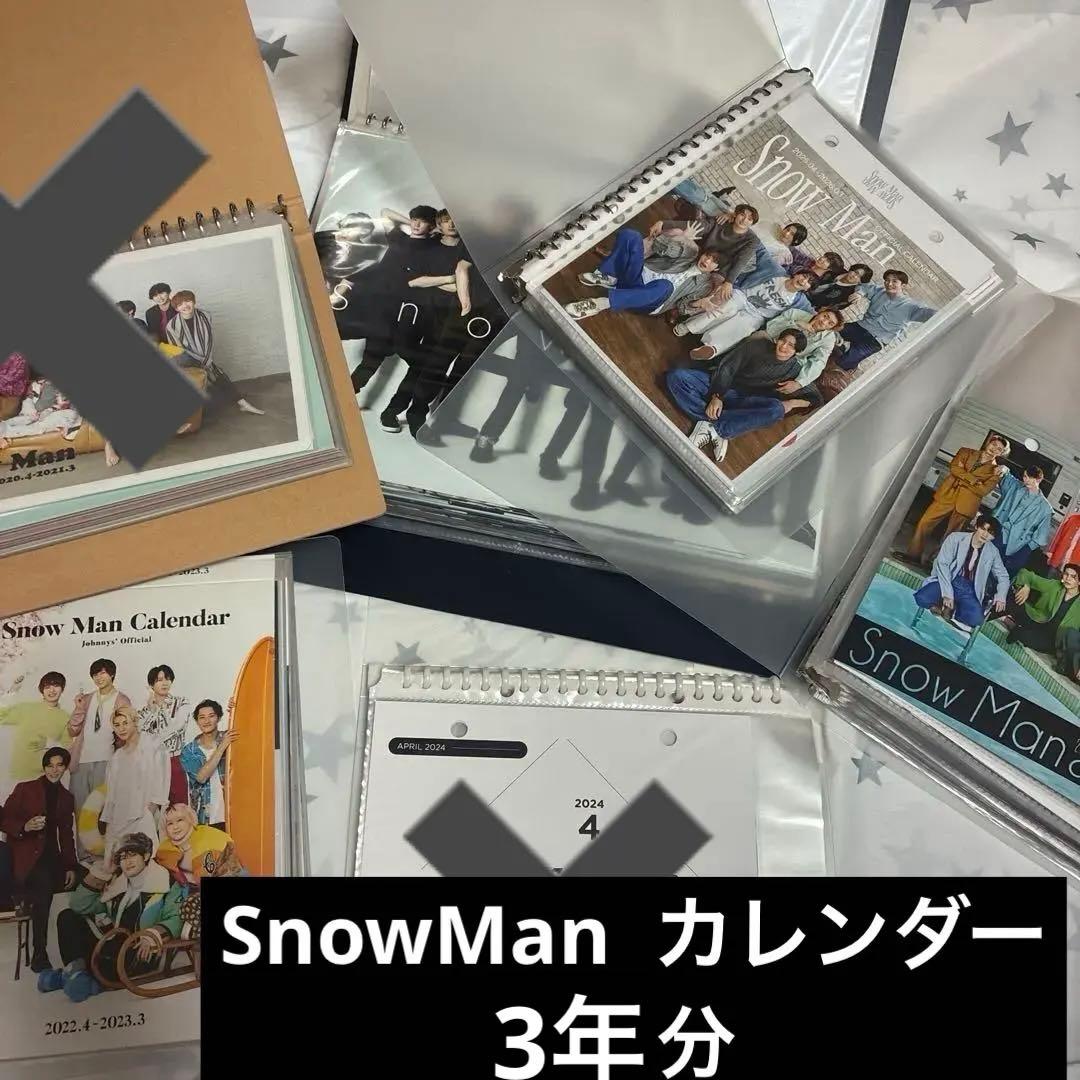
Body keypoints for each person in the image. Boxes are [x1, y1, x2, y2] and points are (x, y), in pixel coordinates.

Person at [44, 832, 183, 1003]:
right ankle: (76, 972)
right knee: (67, 916)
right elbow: (78, 905)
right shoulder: (118, 883)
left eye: (132, 854)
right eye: (122, 858)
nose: (127, 861)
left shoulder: (166, 883)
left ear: (146, 855)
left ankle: (76, 977)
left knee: (109, 953)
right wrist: (103, 873)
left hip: (141, 952)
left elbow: (176, 918)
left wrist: (153, 934)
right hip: (113, 944)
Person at [328, 205, 442, 393]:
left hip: (394, 306)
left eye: (422, 222)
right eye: (415, 220)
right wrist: (412, 223)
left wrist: (435, 231)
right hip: (370, 297)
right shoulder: (399, 237)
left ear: (431, 225)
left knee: (372, 357)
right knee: (335, 332)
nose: (416, 224)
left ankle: (345, 392)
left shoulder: (432, 248)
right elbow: (385, 213)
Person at [666, 328, 810, 464]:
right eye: (783, 341)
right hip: (721, 386)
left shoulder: (794, 369)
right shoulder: (758, 345)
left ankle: (716, 427)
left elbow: (815, 398)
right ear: (777, 339)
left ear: (796, 352)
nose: (784, 346)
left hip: (745, 401)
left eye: (791, 346)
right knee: (676, 377)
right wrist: (718, 396)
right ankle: (721, 428)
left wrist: (794, 402)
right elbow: (728, 367)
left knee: (777, 409)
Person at [1, 748, 78, 972]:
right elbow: (4, 819)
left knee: (87, 880)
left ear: (65, 767)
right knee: (43, 887)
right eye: (50, 765)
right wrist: (24, 827)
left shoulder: (66, 797)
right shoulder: (25, 788)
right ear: (44, 767)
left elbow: (66, 835)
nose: (54, 770)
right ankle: (40, 954)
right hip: (26, 859)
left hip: (52, 858)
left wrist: (70, 866)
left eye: (59, 765)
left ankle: (79, 957)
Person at [565, 228, 721, 320]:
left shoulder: (705, 286)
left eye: (713, 261)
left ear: (716, 268)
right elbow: (659, 245)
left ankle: (599, 304)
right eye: (707, 255)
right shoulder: (690, 254)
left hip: (650, 300)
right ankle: (607, 277)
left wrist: (697, 304)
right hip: (638, 276)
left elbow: (681, 307)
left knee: (666, 286)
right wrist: (681, 239)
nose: (707, 260)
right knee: (631, 235)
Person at [905, 436, 1011, 563]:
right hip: (947, 495)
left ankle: (936, 563)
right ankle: (913, 556)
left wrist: (962, 474)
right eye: (994, 444)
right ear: (988, 443)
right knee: (924, 523)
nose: (994, 449)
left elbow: (983, 490)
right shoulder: (965, 452)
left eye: (999, 449)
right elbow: (954, 468)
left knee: (952, 537)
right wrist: (974, 481)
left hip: (967, 505)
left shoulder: (996, 471)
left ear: (1001, 453)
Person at [67, 658, 131, 860]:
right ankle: (83, 859)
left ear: (111, 674)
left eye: (103, 673)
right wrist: (78, 708)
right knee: (80, 811)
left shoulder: (122, 699)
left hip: (107, 762)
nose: (99, 677)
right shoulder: (86, 699)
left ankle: (104, 859)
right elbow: (72, 730)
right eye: (95, 674)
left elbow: (127, 732)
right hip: (82, 761)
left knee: (103, 812)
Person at [674, 268, 817, 357]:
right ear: (797, 274)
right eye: (804, 276)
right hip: (743, 297)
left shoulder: (798, 301)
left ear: (807, 289)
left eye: (808, 282)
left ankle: (712, 348)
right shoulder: (776, 272)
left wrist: (810, 323)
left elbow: (814, 313)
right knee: (725, 309)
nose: (804, 280)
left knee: (743, 328)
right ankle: (689, 326)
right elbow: (761, 250)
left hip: (757, 315)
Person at [165, 290, 264, 415]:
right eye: (180, 304)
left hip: (205, 356)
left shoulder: (205, 315)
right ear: (176, 308)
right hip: (187, 360)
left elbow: (208, 340)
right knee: (209, 375)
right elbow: (178, 350)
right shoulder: (172, 326)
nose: (185, 306)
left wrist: (206, 360)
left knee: (218, 375)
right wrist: (201, 362)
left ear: (193, 301)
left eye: (188, 301)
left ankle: (243, 404)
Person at [912, 515, 1010, 630]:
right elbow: (943, 564)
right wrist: (947, 594)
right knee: (922, 598)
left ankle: (952, 610)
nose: (985, 534)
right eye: (983, 529)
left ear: (993, 537)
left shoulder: (993, 552)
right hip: (949, 579)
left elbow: (1003, 576)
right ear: (976, 527)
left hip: (969, 589)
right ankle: (945, 604)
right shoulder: (955, 538)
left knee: (975, 620)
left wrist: (1001, 596)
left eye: (990, 533)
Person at [100, 706, 169, 864]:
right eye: (117, 725)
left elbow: (161, 781)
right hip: (121, 818)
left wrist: (149, 813)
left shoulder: (153, 745)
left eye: (125, 723)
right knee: (118, 865)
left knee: (147, 861)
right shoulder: (117, 757)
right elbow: (111, 795)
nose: (121, 728)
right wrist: (111, 827)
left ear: (135, 722)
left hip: (145, 815)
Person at [835, 269, 936, 370]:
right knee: (832, 330)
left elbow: (931, 314)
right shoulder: (879, 291)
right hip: (860, 327)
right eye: (887, 280)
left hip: (875, 341)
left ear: (903, 286)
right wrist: (859, 293)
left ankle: (851, 359)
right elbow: (864, 287)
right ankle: (845, 347)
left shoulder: (912, 307)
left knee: (843, 363)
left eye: (894, 281)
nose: (889, 284)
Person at [992, 564, 1080, 660]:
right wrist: (1026, 586)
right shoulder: (1055, 585)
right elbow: (1025, 573)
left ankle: (1013, 625)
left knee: (1024, 636)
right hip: (1036, 621)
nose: (1068, 578)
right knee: (1013, 600)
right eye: (1066, 574)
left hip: (1053, 638)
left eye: (1073, 576)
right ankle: (986, 615)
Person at [0, 672, 72, 785]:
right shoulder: (27, 708)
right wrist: (11, 693)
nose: (52, 690)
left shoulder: (65, 717)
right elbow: (1, 715)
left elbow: (67, 749)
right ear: (41, 690)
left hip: (44, 776)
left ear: (62, 689)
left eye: (56, 686)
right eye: (47, 687)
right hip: (18, 774)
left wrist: (51, 744)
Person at [752, 307, 844, 390]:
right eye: (825, 316)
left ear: (831, 328)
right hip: (772, 341)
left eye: (830, 323)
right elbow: (771, 328)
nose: (824, 322)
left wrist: (799, 383)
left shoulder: (829, 339)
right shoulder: (795, 313)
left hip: (791, 358)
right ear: (820, 312)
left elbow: (819, 361)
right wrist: (796, 324)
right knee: (759, 336)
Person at [155, 802, 245, 887]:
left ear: (191, 820)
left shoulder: (206, 840)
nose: (175, 827)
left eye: (180, 820)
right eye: (170, 823)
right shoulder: (165, 848)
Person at [138, 664, 191, 806]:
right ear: (151, 685)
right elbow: (140, 736)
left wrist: (159, 710)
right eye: (159, 680)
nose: (165, 683)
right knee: (153, 807)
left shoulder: (181, 703)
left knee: (179, 805)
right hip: (152, 762)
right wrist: (152, 711)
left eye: (167, 679)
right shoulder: (144, 711)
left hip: (174, 759)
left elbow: (177, 727)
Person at [179, 699, 237, 829]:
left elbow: (249, 727)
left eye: (211, 716)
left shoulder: (229, 738)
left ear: (219, 718)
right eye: (202, 717)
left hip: (234, 813)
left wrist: (236, 709)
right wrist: (222, 746)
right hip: (205, 817)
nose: (206, 721)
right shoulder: (189, 751)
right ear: (197, 721)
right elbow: (201, 777)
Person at [990, 466, 1053, 577]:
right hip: (998, 532)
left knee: (999, 575)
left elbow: (1040, 537)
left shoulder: (1045, 508)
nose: (1026, 480)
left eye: (1031, 478)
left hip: (1017, 545)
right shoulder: (1016, 487)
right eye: (1025, 476)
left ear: (1039, 480)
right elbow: (1006, 476)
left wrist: (1024, 551)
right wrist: (1004, 468)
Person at [0, 377, 82, 450]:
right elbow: (28, 400)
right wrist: (32, 410)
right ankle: (4, 431)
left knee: (39, 426)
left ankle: (5, 433)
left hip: (59, 415)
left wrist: (68, 425)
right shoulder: (38, 384)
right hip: (37, 413)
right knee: (26, 419)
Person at [809, 263, 873, 316]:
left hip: (811, 306)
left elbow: (834, 307)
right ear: (851, 270)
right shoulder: (837, 271)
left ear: (860, 282)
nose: (855, 276)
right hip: (805, 289)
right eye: (856, 272)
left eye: (859, 277)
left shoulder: (851, 294)